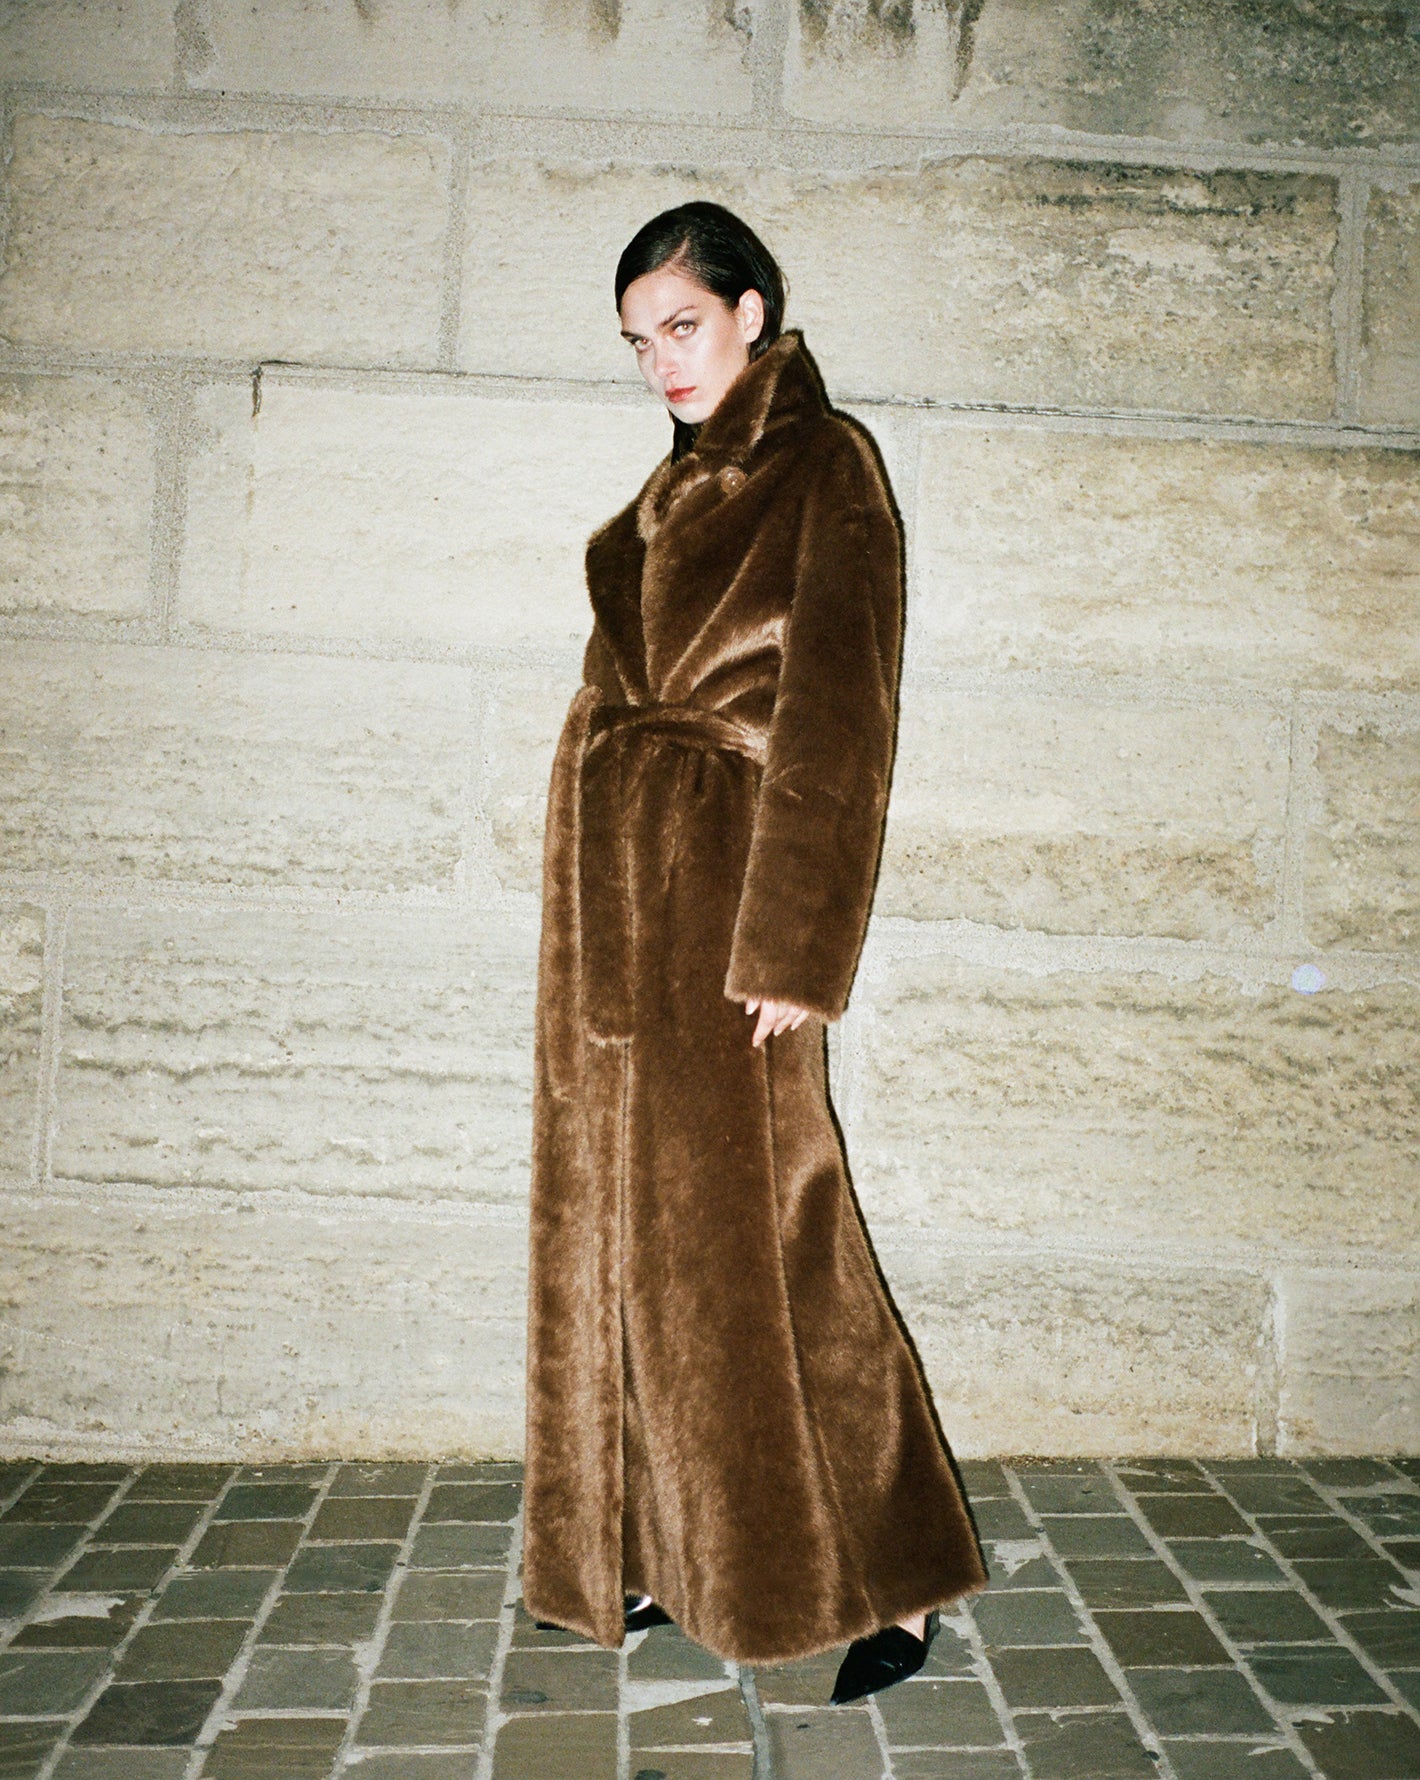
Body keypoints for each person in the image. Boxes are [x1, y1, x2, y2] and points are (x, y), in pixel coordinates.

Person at [521, 200, 988, 1704]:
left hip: (732, 911)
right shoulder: (662, 502)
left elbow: (845, 717)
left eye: (682, 325)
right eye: (636, 340)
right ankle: (661, 1545)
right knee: (639, 1239)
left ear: (751, 314)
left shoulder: (823, 464)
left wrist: (796, 948)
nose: (661, 360)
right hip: (618, 914)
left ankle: (902, 1580)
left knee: (785, 1236)